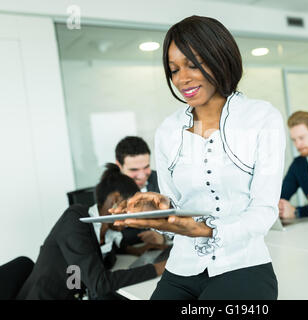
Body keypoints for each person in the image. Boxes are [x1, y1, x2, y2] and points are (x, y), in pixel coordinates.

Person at [111, 15, 285, 300]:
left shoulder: (261, 118)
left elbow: (264, 211)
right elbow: (175, 205)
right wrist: (155, 208)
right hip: (182, 267)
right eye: (174, 69)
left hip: (243, 265)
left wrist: (202, 229)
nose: (182, 79)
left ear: (221, 58)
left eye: (193, 64)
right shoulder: (168, 130)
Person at [16, 164, 166, 300]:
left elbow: (101, 248)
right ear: (115, 200)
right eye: (133, 208)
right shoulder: (76, 219)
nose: (133, 216)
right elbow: (99, 283)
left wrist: (139, 251)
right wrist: (158, 268)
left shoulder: (105, 229)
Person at [115, 136, 167, 252]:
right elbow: (109, 235)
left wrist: (162, 235)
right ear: (119, 166)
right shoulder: (109, 191)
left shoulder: (162, 180)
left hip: (163, 248)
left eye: (146, 167)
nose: (142, 175)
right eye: (134, 170)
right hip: (128, 253)